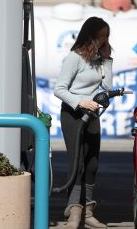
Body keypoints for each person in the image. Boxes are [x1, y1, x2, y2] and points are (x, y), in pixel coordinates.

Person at [53, 17, 113, 229]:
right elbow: (59, 89)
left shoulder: (98, 60)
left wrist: (107, 59)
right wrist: (81, 102)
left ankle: (87, 211)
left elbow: (107, 86)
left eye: (107, 36)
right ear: (91, 35)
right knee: (77, 163)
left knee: (92, 164)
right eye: (102, 35)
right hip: (73, 115)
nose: (105, 39)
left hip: (92, 116)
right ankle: (73, 214)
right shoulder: (74, 58)